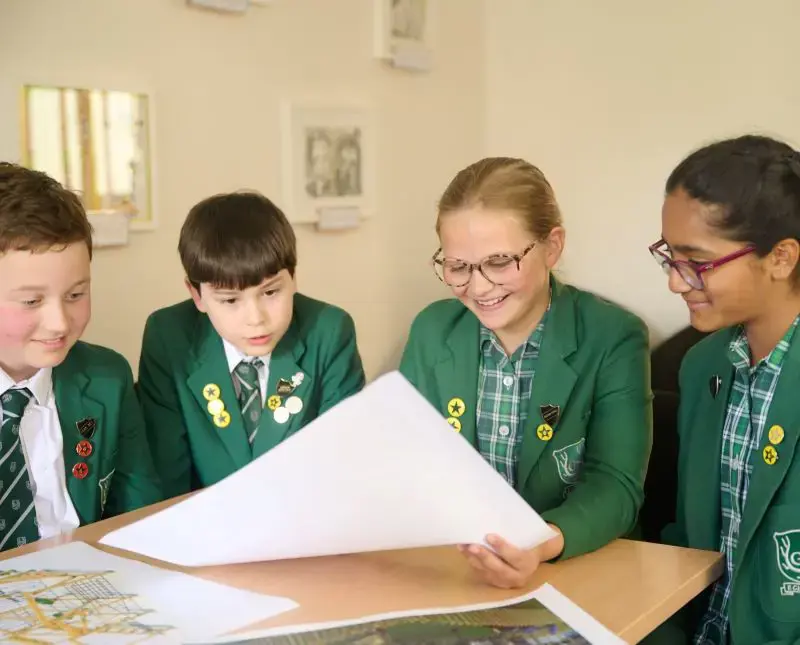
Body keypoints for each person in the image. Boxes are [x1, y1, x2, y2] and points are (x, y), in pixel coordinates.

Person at [399, 157, 652, 588]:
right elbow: (408, 460)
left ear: (552, 246)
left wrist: (539, 544)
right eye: (458, 266)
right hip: (456, 572)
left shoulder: (613, 336)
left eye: (499, 262)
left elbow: (615, 484)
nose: (478, 288)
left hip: (579, 571)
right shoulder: (432, 330)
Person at [653, 134, 800, 644]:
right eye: (669, 256)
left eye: (698, 261)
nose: (676, 281)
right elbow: (687, 544)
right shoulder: (702, 367)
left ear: (781, 258)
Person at [137, 191, 366, 499]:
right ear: (197, 296)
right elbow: (167, 480)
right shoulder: (168, 337)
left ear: (294, 277)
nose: (256, 318)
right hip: (205, 531)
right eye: (230, 300)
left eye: (271, 292)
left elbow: (342, 467)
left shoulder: (328, 331)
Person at [0, 163, 162, 552]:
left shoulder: (107, 377)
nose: (59, 323)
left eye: (76, 295)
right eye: (31, 301)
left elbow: (142, 514)